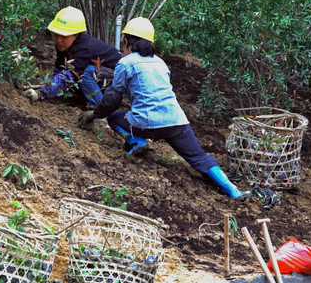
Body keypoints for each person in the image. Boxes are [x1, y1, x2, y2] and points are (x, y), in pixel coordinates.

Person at [78, 17, 247, 199]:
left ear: (126, 40)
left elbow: (112, 99)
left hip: (146, 123)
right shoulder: (160, 63)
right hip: (176, 121)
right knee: (199, 157)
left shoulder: (126, 63)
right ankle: (232, 190)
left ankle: (137, 141)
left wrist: (94, 114)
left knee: (114, 117)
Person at [23, 7, 122, 108]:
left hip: (117, 77)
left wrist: (40, 93)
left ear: (75, 35)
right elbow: (60, 69)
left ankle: (100, 109)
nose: (59, 40)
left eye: (64, 36)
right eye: (56, 35)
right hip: (102, 76)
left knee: (83, 74)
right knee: (75, 76)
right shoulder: (64, 45)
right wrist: (46, 85)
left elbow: (68, 76)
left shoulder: (84, 49)